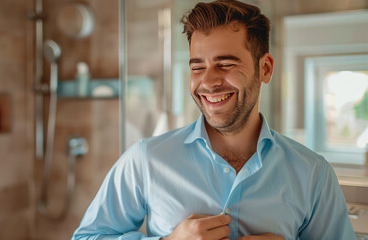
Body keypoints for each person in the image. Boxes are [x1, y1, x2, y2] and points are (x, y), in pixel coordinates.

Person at [72, 1, 356, 239]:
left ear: (265, 68)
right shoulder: (146, 160)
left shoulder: (313, 174)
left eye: (226, 64)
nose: (208, 82)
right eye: (198, 66)